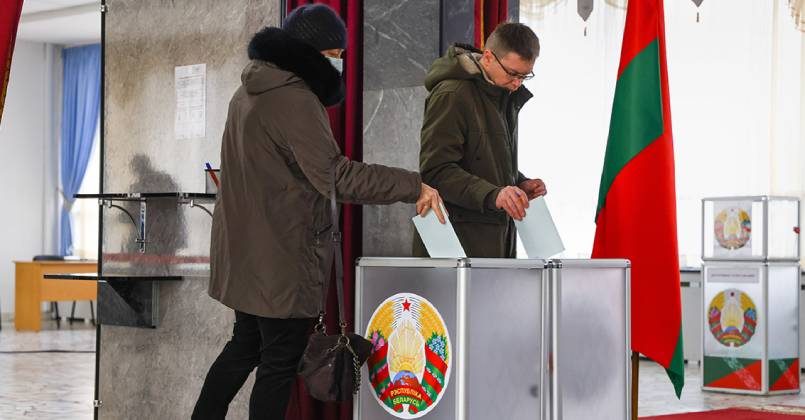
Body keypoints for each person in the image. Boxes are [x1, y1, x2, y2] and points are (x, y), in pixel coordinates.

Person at [192, 5, 444, 420]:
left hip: (245, 255)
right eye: (335, 53)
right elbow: (335, 176)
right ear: (311, 52)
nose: (340, 62)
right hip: (280, 258)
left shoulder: (249, 92)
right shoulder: (295, 99)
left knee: (244, 347)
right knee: (278, 363)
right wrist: (412, 185)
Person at [413, 22, 547, 258]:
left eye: (525, 76)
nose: (518, 83)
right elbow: (436, 171)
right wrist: (494, 195)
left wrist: (519, 183)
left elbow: (483, 160)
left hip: (492, 241)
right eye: (512, 73)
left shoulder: (503, 95)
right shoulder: (452, 94)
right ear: (487, 57)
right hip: (455, 244)